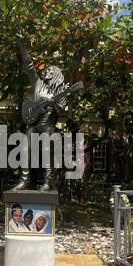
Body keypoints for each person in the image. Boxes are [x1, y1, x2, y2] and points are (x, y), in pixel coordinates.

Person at [14, 33, 82, 191]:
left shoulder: (62, 90)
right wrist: (21, 45)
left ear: (56, 74)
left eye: (50, 70)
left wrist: (54, 103)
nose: (46, 72)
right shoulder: (38, 84)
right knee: (26, 149)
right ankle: (24, 181)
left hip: (48, 125)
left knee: (47, 152)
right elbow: (29, 65)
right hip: (33, 122)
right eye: (46, 70)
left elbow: (61, 110)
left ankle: (48, 182)